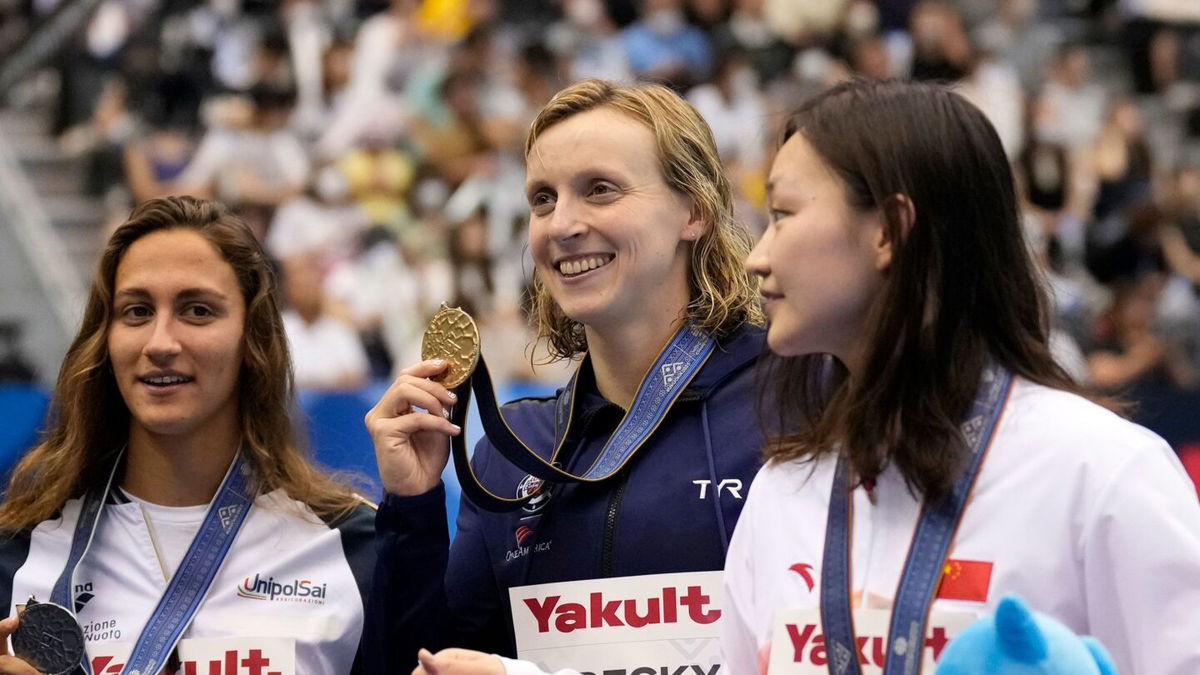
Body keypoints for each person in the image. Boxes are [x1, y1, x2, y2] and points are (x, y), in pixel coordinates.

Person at [723, 79, 1200, 674]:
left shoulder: (1100, 474)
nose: (756, 256)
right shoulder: (783, 492)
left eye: (783, 214)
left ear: (889, 230)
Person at [365, 79, 765, 670]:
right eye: (543, 199)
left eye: (600, 190)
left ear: (695, 210)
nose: (561, 225)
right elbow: (421, 662)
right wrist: (413, 509)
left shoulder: (796, 404)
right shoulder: (514, 450)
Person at [0, 197, 376, 675]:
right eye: (136, 311)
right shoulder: (18, 552)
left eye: (197, 311)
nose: (160, 343)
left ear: (252, 339)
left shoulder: (351, 546)